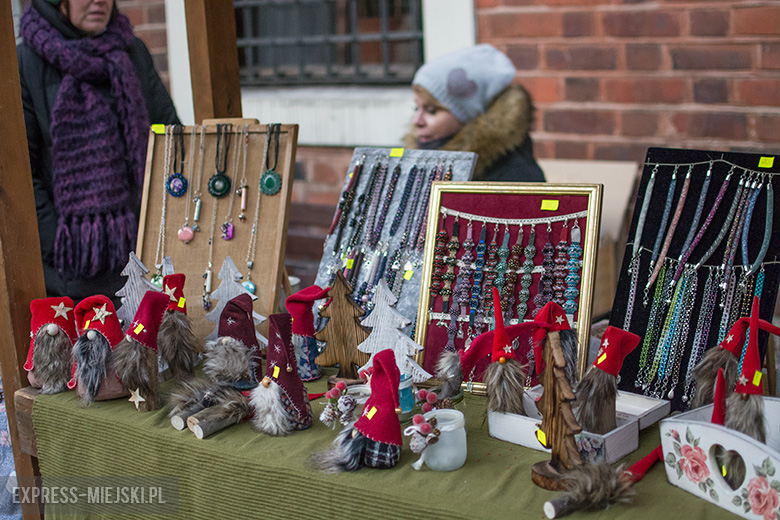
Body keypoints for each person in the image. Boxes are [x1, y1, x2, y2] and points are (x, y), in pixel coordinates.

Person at [17, 0, 179, 304]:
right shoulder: (26, 63)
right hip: (69, 272)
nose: (99, 1)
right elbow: (22, 173)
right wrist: (58, 243)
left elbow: (170, 140)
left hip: (143, 259)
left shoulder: (132, 52)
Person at [403, 44, 545, 182]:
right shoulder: (415, 164)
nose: (417, 121)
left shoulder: (515, 177)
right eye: (416, 108)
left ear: (468, 115)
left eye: (431, 111)